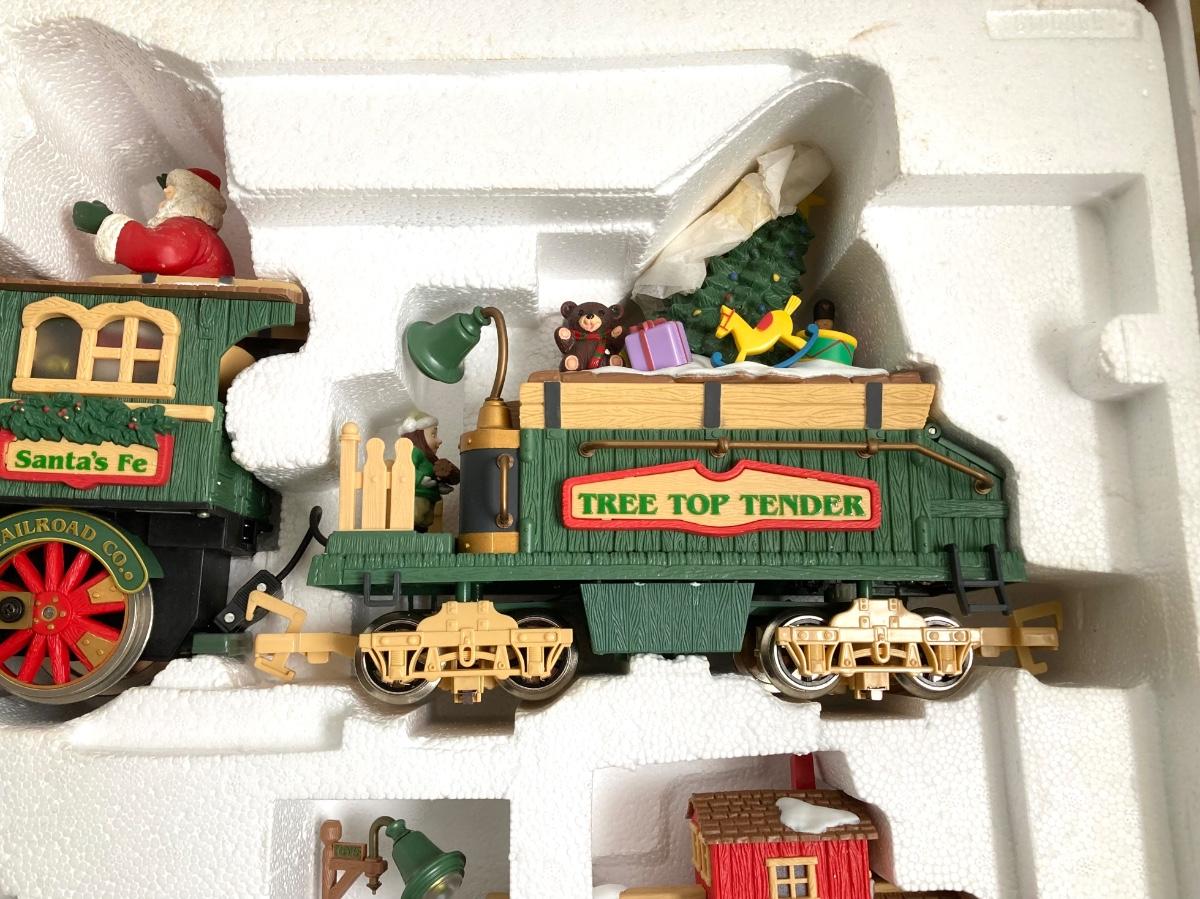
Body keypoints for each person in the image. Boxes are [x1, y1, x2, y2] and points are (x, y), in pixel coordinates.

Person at [71, 167, 235, 277]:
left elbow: (162, 252)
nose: (163, 201)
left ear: (191, 200)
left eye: (172, 194)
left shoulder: (190, 230)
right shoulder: (198, 231)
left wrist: (105, 222)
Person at [399, 410, 460, 532]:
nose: (439, 440)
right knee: (417, 517)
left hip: (430, 497)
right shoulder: (413, 452)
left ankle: (421, 534)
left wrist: (439, 485)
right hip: (418, 496)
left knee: (426, 521)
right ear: (418, 436)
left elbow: (433, 476)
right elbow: (405, 469)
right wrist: (421, 480)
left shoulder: (430, 460)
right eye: (433, 435)